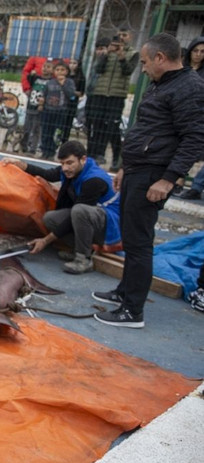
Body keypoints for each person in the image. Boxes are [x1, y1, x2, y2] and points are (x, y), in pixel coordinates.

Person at [93, 33, 204, 328]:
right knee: (131, 238)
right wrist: (126, 167)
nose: (141, 68)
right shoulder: (162, 85)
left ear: (160, 58)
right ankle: (124, 292)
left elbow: (194, 138)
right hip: (138, 170)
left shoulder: (189, 88)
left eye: (144, 61)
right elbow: (147, 128)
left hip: (154, 175)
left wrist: (168, 179)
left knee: (140, 243)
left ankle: (133, 311)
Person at [4, 141, 120, 274]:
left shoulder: (94, 181)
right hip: (93, 219)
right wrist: (21, 165)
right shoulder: (74, 169)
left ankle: (84, 259)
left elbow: (75, 217)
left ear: (83, 159)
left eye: (69, 163)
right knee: (50, 218)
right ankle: (80, 248)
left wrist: (45, 241)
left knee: (79, 210)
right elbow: (48, 174)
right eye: (62, 163)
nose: (65, 168)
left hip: (111, 227)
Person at [85, 29, 139, 169]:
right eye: (119, 35)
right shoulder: (107, 52)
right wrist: (107, 53)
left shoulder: (133, 53)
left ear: (130, 37)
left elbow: (128, 71)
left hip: (117, 94)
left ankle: (116, 158)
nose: (121, 38)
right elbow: (98, 69)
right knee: (96, 125)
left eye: (124, 35)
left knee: (112, 127)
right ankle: (94, 156)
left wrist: (121, 56)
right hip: (100, 92)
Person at [175, 36, 204, 200]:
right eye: (196, 51)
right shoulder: (182, 69)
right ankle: (177, 180)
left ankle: (194, 186)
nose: (198, 55)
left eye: (202, 52)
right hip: (181, 113)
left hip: (199, 115)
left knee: (191, 149)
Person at [39, 60, 76, 160]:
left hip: (61, 111)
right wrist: (41, 103)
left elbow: (72, 96)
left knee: (57, 133)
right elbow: (44, 94)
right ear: (54, 72)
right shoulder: (50, 82)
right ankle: (44, 151)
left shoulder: (69, 82)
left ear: (66, 72)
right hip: (48, 110)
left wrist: (63, 84)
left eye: (62, 70)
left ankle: (52, 151)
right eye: (57, 70)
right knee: (46, 131)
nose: (60, 72)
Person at [22, 59, 53, 154]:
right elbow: (28, 78)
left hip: (39, 109)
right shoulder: (36, 78)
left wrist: (43, 104)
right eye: (44, 66)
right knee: (26, 128)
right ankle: (24, 145)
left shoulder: (51, 82)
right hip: (30, 106)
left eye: (48, 67)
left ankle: (33, 148)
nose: (45, 69)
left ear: (52, 70)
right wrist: (32, 74)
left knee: (36, 129)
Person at [63, 58, 86, 143]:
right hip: (62, 103)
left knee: (67, 125)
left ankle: (64, 141)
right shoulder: (65, 75)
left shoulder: (81, 77)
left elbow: (81, 93)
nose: (72, 65)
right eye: (70, 63)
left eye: (74, 63)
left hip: (72, 103)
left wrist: (71, 91)